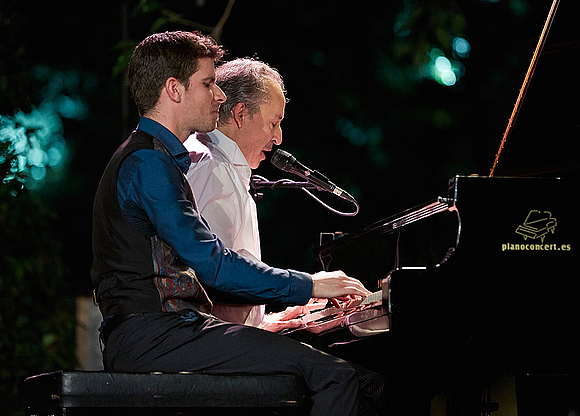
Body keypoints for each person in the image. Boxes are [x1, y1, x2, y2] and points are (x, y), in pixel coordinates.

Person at [90, 30, 371, 416]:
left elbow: (193, 273)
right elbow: (213, 264)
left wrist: (263, 324)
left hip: (165, 331)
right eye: (208, 84)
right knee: (336, 376)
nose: (220, 95)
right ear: (174, 89)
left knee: (338, 373)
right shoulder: (148, 163)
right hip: (154, 336)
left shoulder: (157, 159)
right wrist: (308, 285)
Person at [184, 58, 322, 332]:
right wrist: (308, 286)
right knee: (345, 375)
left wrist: (266, 322)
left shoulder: (224, 166)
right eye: (274, 123)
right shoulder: (213, 168)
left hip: (223, 340)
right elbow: (209, 281)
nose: (279, 138)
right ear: (240, 114)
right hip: (212, 349)